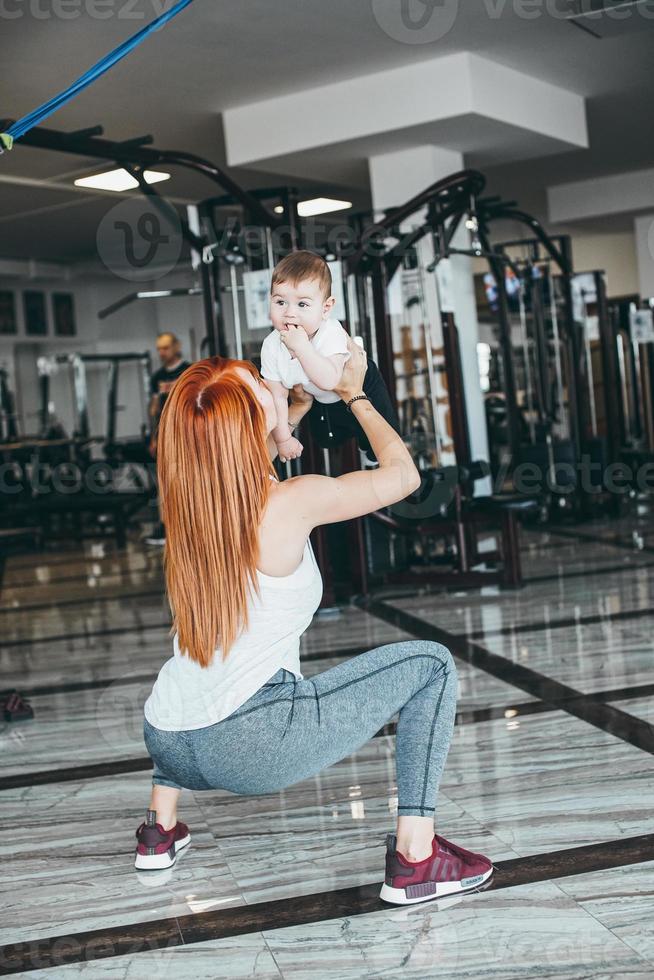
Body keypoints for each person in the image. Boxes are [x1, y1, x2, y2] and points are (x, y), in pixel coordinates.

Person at [136, 339, 493, 905]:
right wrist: (355, 396)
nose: (267, 378)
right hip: (248, 746)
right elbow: (403, 479)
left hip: (167, 739)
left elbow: (246, 476)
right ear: (253, 424)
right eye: (259, 382)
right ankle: (417, 860)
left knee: (204, 666)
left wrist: (286, 416)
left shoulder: (192, 505)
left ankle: (158, 830)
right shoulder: (292, 502)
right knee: (432, 665)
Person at [260, 251, 401, 464]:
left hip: (361, 386)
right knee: (325, 440)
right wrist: (283, 440)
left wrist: (302, 348)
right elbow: (277, 398)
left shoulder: (330, 332)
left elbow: (329, 381)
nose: (289, 313)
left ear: (325, 309)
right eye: (280, 302)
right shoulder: (271, 346)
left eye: (302, 304)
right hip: (319, 399)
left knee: (380, 447)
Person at [145, 332, 191, 546]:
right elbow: (154, 408)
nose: (162, 353)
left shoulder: (189, 371)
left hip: (187, 434)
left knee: (189, 480)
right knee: (165, 481)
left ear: (176, 346)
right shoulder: (157, 377)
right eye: (159, 349)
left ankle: (191, 526)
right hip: (165, 436)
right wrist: (154, 436)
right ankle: (166, 527)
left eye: (165, 347)